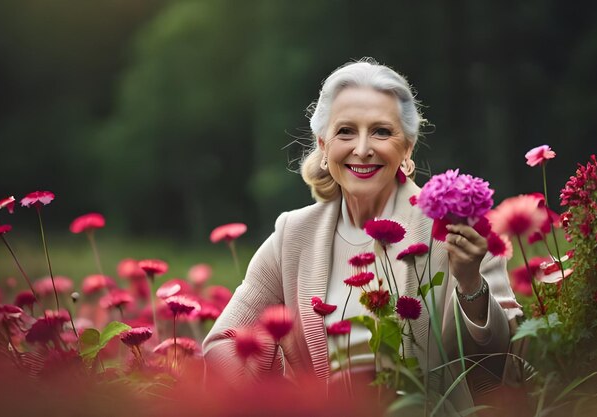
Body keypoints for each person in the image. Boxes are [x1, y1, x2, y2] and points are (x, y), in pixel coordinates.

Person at [203, 58, 518, 410]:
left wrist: (471, 283)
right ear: (323, 145)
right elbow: (222, 343)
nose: (363, 148)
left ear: (408, 148)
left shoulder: (457, 227)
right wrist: (282, 401)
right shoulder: (293, 235)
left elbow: (500, 362)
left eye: (382, 131)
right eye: (346, 131)